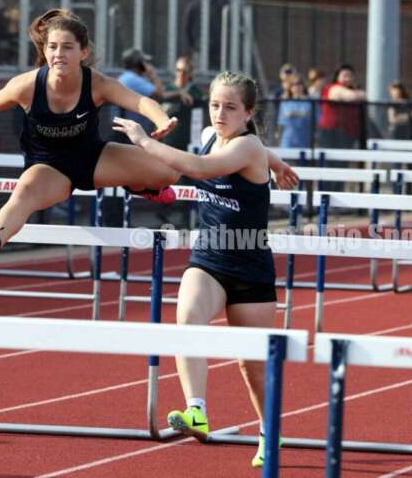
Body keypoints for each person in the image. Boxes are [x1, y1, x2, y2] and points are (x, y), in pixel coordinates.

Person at [112, 70, 299, 468]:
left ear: (248, 113)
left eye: (230, 107)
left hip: (249, 263)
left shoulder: (246, 146)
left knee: (252, 365)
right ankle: (196, 409)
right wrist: (279, 162)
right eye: (215, 105)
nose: (220, 113)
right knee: (188, 319)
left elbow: (199, 169)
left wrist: (144, 141)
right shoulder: (212, 137)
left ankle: (270, 430)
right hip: (210, 257)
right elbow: (219, 157)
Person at [0, 8, 181, 268]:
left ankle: (142, 186)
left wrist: (162, 120)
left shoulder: (97, 84)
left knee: (170, 172)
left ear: (84, 53)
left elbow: (140, 101)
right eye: (53, 47)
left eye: (67, 47)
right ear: (45, 50)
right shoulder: (26, 85)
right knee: (23, 193)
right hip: (49, 167)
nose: (59, 54)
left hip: (93, 159)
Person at [317, 63, 365, 148]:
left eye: (350, 76)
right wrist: (362, 94)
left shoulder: (353, 90)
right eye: (344, 75)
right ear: (337, 77)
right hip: (331, 133)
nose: (348, 78)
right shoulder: (332, 88)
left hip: (349, 133)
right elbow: (351, 96)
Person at [161, 55, 204, 150]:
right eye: (178, 70)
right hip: (167, 140)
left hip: (186, 141)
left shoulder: (195, 91)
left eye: (184, 71)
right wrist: (179, 94)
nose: (181, 74)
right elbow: (160, 96)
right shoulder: (167, 89)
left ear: (190, 73)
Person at [276, 72, 312, 147]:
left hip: (305, 142)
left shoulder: (310, 102)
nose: (297, 87)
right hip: (287, 142)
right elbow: (281, 124)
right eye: (293, 85)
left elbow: (311, 117)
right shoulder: (285, 102)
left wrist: (293, 113)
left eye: (299, 84)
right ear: (290, 87)